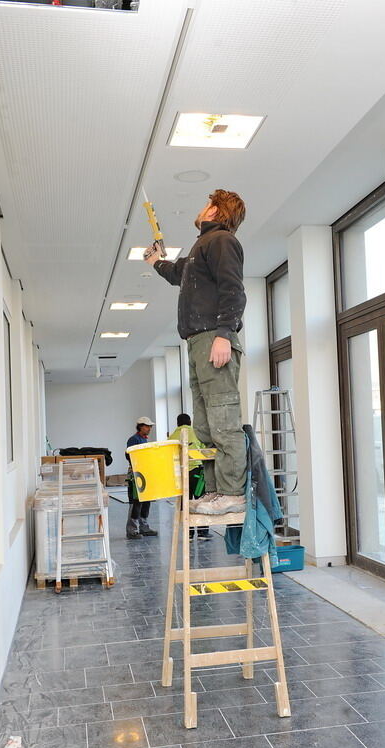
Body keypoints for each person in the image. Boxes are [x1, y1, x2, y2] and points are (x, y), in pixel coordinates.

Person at [144, 190, 247, 516]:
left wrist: (224, 335)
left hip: (213, 338)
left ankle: (232, 494)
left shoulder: (222, 241)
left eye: (206, 204)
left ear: (215, 211)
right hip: (198, 339)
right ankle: (216, 491)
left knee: (224, 421)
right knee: (205, 426)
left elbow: (234, 290)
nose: (201, 208)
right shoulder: (202, 246)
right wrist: (157, 262)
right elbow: (180, 275)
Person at [168, 413, 212, 540]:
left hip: (181, 474)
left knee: (185, 502)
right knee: (201, 500)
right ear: (190, 422)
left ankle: (189, 533)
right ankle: (203, 532)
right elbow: (205, 450)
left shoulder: (172, 437)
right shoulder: (196, 433)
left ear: (177, 423)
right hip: (196, 473)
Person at [125, 416, 158, 538]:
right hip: (136, 475)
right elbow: (129, 455)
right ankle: (132, 530)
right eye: (147, 426)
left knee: (146, 501)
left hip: (145, 474)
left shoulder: (144, 440)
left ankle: (144, 527)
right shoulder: (134, 440)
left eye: (150, 426)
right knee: (135, 502)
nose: (149, 428)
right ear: (140, 426)